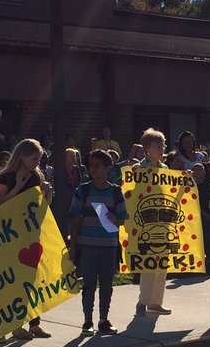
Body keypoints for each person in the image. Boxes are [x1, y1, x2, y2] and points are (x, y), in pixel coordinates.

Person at [0, 138, 52, 340]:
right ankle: (16, 325)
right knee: (17, 281)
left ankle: (34, 323)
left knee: (34, 280)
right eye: (34, 159)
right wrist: (18, 186)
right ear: (22, 157)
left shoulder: (37, 176)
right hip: (12, 234)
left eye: (39, 159)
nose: (37, 163)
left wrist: (47, 194)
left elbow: (42, 207)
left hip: (32, 232)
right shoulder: (6, 177)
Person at [68, 149, 128, 335]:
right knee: (88, 284)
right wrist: (73, 245)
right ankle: (87, 321)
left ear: (108, 168)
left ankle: (104, 319)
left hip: (109, 245)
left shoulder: (116, 192)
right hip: (88, 245)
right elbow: (75, 218)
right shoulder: (83, 190)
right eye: (90, 165)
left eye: (97, 166)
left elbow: (122, 218)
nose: (92, 169)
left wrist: (114, 218)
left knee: (107, 284)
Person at [134, 128, 176, 316]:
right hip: (147, 220)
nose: (161, 149)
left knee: (162, 264)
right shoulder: (139, 169)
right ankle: (142, 302)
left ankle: (156, 302)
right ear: (147, 148)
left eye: (163, 145)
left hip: (164, 219)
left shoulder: (165, 169)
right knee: (148, 263)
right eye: (157, 146)